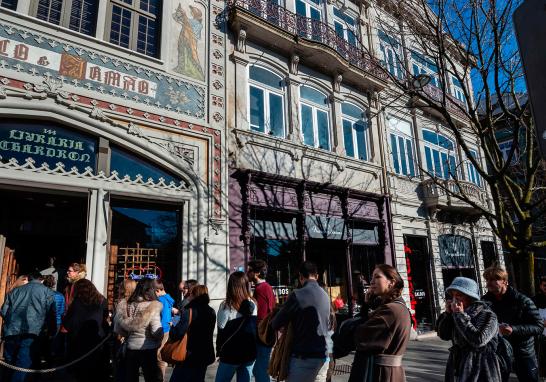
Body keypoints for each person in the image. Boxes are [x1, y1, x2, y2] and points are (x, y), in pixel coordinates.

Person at [348, 264, 411, 382]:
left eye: (377, 277)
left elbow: (361, 336)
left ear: (391, 282)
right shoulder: (394, 306)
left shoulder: (391, 310)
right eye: (372, 277)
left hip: (382, 374)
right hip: (386, 372)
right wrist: (367, 304)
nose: (371, 282)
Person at [271, 261, 331, 382]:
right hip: (324, 357)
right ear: (317, 276)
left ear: (300, 277)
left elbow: (276, 323)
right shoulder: (325, 295)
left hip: (303, 358)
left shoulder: (297, 294)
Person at [482, 266, 544, 382]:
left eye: (493, 280)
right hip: (498, 353)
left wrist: (513, 329)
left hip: (523, 353)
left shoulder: (522, 301)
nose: (488, 283)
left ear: (505, 281)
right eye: (487, 280)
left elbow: (538, 326)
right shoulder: (484, 302)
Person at [437, 277, 502, 382]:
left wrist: (460, 316)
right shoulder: (456, 314)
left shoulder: (487, 315)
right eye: (453, 295)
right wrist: (448, 315)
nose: (455, 299)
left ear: (470, 297)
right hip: (457, 365)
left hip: (481, 368)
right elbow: (444, 335)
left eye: (459, 295)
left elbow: (479, 340)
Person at [0, 271, 56, 382]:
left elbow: (4, 311)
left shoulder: (14, 291)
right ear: (42, 280)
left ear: (29, 279)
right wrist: (51, 330)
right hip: (32, 331)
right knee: (22, 363)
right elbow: (51, 314)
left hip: (11, 331)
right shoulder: (48, 292)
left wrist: (10, 322)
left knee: (10, 362)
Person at [114, 278, 164, 382]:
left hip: (131, 347)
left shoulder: (130, 305)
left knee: (131, 378)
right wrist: (160, 337)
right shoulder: (153, 306)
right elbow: (156, 331)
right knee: (151, 378)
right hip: (148, 348)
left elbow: (121, 329)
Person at [63, 278, 110, 382]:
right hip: (98, 340)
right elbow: (105, 318)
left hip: (79, 342)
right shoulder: (102, 300)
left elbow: (68, 323)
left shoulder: (76, 303)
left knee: (81, 373)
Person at [215, 271, 258, 382]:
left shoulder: (227, 306)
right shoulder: (253, 303)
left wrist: (219, 351)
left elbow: (221, 328)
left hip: (231, 354)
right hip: (249, 352)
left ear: (231, 286)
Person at [169, 285, 216, 382]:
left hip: (188, 354)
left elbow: (176, 332)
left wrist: (175, 319)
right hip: (205, 352)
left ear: (194, 295)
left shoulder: (188, 311)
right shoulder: (211, 311)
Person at [247, 259, 276, 382]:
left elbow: (263, 315)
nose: (247, 273)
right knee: (259, 369)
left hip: (263, 335)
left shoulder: (261, 288)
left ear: (257, 273)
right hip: (266, 334)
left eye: (250, 270)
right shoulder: (265, 287)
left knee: (260, 370)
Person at [154, 280, 175, 381]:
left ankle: (160, 378)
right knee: (161, 355)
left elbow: (161, 316)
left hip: (161, 329)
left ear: (157, 290)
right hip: (167, 328)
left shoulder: (160, 300)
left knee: (159, 357)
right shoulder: (168, 299)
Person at [42, 274, 66, 363]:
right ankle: (50, 361)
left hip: (44, 321)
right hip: (57, 321)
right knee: (53, 343)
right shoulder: (60, 295)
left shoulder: (42, 294)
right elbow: (62, 310)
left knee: (43, 343)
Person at [532, 276, 546, 380]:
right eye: (545, 285)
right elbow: (530, 317)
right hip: (541, 337)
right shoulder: (535, 300)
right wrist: (541, 323)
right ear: (541, 286)